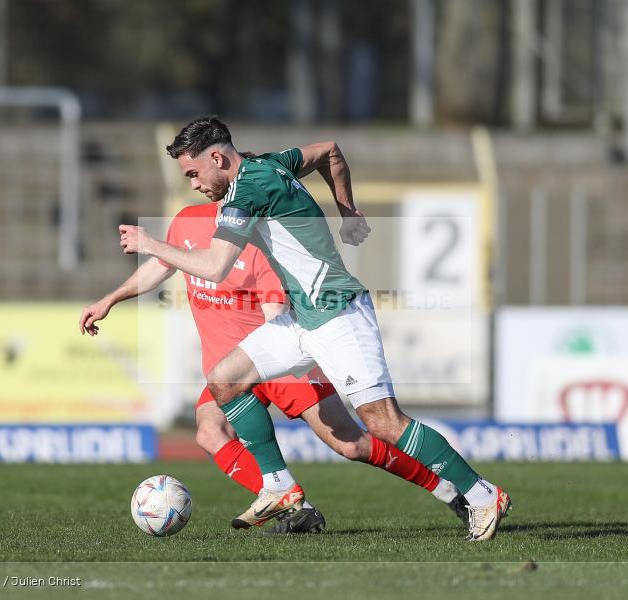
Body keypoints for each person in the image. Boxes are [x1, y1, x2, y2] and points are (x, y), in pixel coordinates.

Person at [119, 116, 511, 541]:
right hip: (301, 319)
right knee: (224, 378)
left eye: (193, 173)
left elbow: (215, 267)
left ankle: (483, 494)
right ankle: (278, 486)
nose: (194, 184)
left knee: (384, 423)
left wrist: (150, 244)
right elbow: (329, 151)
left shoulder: (247, 191)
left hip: (338, 315)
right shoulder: (272, 163)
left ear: (217, 158)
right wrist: (347, 210)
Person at [80, 189, 466, 535]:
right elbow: (162, 264)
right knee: (210, 432)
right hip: (230, 375)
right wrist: (110, 299)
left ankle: (447, 489)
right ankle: (295, 508)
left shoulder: (259, 243)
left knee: (353, 445)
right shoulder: (188, 220)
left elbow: (275, 315)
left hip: (276, 365)